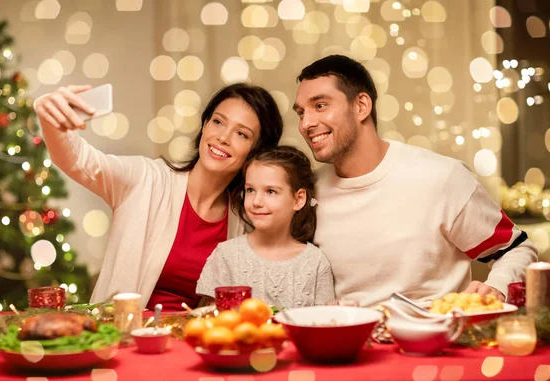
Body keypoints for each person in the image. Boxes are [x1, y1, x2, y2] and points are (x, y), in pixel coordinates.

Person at [292, 55, 538, 307]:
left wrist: (496, 287)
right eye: (301, 112)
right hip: (344, 340)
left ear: (361, 106)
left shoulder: (441, 177)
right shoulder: (308, 190)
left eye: (320, 105)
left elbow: (516, 249)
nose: (306, 123)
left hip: (434, 340)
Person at [34, 83, 283, 311]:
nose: (223, 137)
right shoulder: (146, 178)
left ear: (256, 152)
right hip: (124, 339)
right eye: (218, 122)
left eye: (242, 134)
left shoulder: (244, 222)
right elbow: (78, 160)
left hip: (192, 347)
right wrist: (49, 116)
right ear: (205, 125)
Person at [196, 146, 334, 308]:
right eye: (250, 190)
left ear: (298, 199)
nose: (256, 201)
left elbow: (325, 324)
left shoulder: (315, 262)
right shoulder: (226, 255)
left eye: (270, 191)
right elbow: (211, 323)